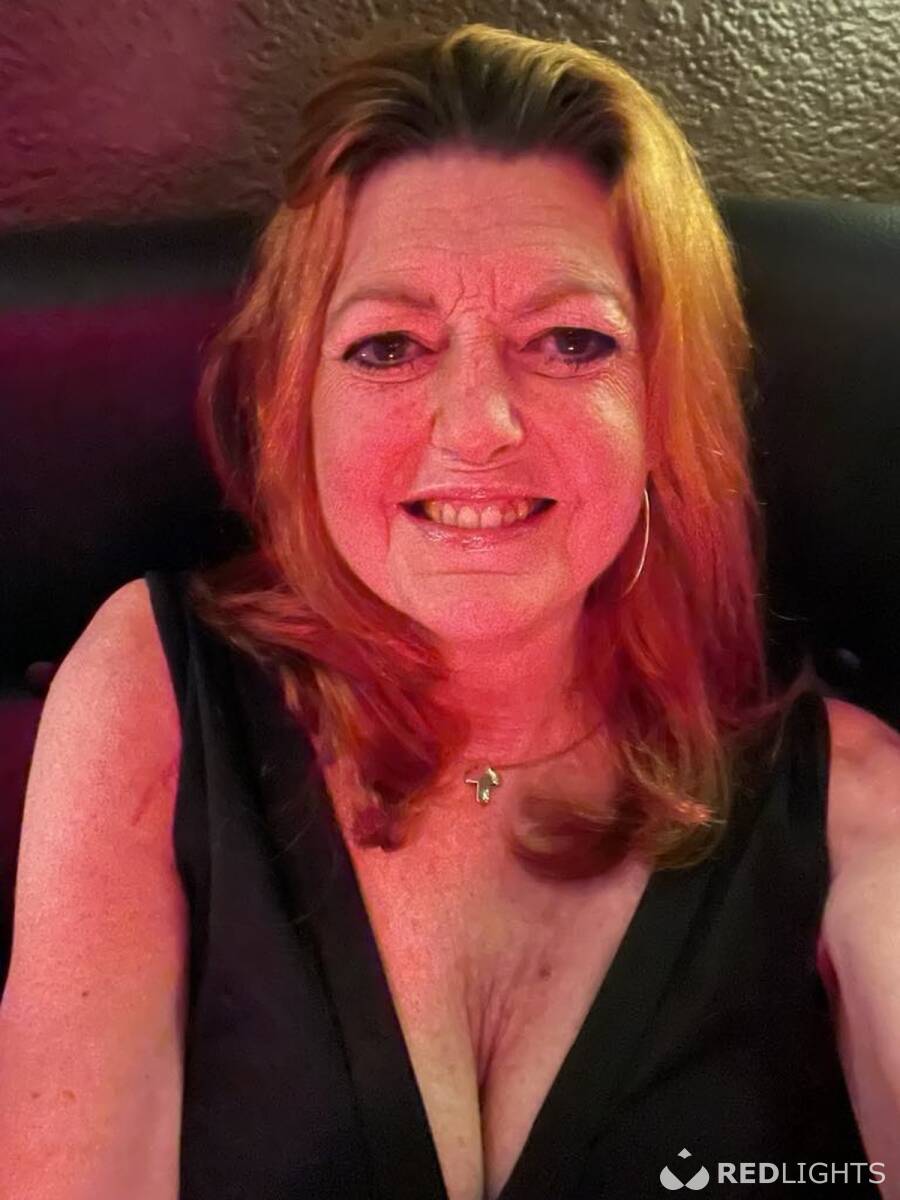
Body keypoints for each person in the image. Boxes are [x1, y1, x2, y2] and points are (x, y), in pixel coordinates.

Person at [3, 21, 899, 1200]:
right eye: (388, 347)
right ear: (296, 402)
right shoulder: (154, 697)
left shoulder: (854, 808)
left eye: (571, 340)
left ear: (664, 401)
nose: (477, 424)